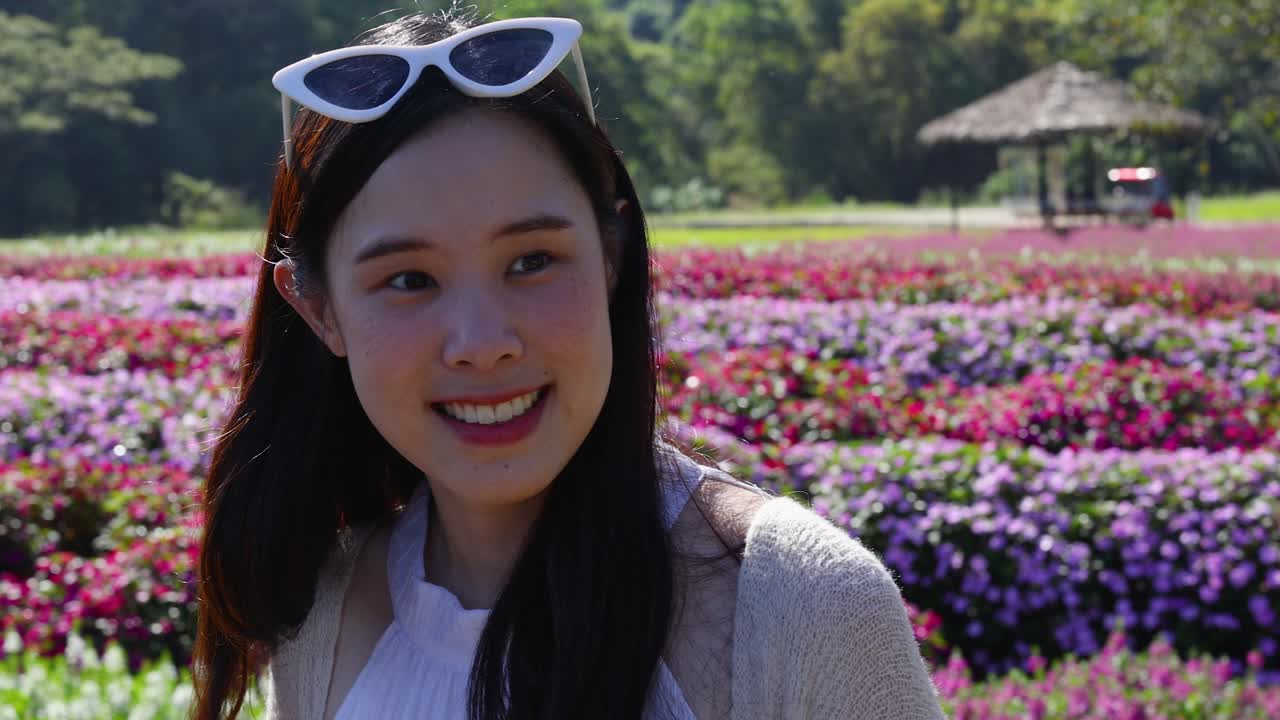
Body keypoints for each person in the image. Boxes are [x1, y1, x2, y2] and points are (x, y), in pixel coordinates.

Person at [190, 6, 946, 719]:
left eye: (533, 261)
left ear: (611, 253)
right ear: (317, 309)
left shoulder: (800, 606)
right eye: (409, 279)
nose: (482, 342)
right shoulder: (322, 608)